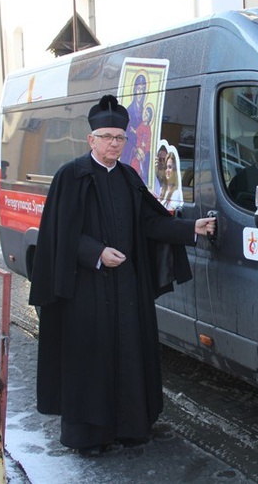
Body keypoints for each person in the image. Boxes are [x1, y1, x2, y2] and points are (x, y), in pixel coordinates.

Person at [28, 95, 216, 455]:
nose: (115, 143)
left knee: (130, 354)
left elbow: (150, 221)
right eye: (108, 137)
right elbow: (59, 234)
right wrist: (96, 253)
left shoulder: (129, 177)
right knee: (92, 361)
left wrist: (194, 228)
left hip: (127, 288)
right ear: (92, 140)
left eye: (120, 138)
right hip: (86, 291)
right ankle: (91, 438)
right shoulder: (72, 176)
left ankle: (131, 428)